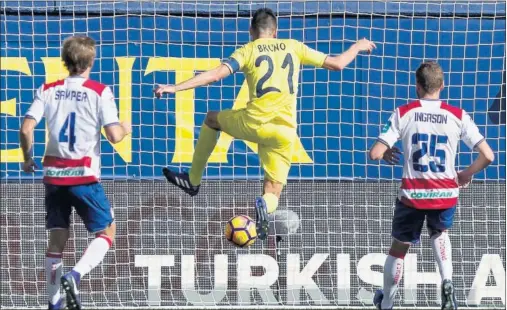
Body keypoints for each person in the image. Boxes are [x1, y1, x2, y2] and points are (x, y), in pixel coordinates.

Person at [154, 8, 376, 240]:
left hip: (253, 123)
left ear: (251, 31)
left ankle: (193, 180)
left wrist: (174, 87)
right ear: (276, 31)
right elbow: (338, 64)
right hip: (284, 132)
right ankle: (264, 205)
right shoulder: (293, 46)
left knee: (212, 119)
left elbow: (216, 74)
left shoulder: (248, 50)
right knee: (273, 190)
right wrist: (357, 46)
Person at [369, 61, 494, 310]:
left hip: (413, 194)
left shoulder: (403, 112)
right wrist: (466, 174)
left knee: (399, 249)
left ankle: (387, 303)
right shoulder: (458, 115)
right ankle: (447, 282)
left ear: (417, 86)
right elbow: (488, 155)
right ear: (442, 86)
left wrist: (384, 153)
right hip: (445, 192)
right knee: (439, 233)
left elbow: (375, 153)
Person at [19, 36, 131, 310]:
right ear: (91, 61)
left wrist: (27, 159)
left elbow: (25, 128)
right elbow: (115, 136)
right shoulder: (99, 91)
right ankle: (75, 275)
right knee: (107, 232)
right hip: (83, 176)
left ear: (65, 61)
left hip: (54, 176)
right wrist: (126, 127)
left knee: (57, 239)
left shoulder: (48, 89)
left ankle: (53, 301)